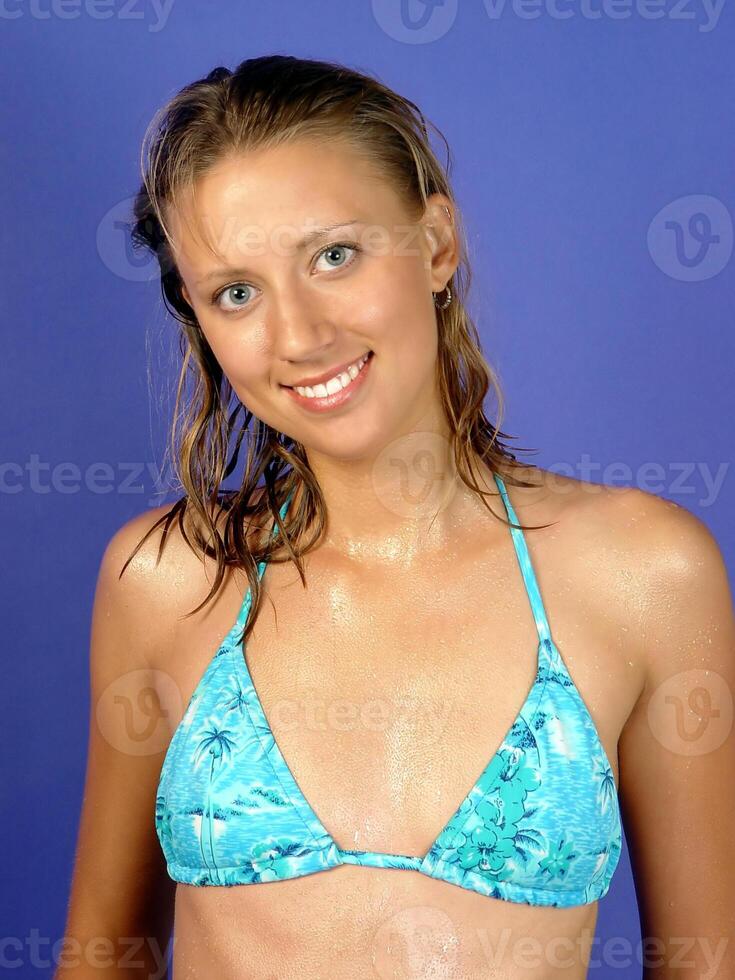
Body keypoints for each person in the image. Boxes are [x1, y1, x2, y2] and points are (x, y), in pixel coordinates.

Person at [57, 55, 735, 979]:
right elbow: (105, 959)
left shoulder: (643, 572)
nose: (297, 335)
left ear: (437, 243)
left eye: (334, 255)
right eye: (236, 292)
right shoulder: (164, 577)